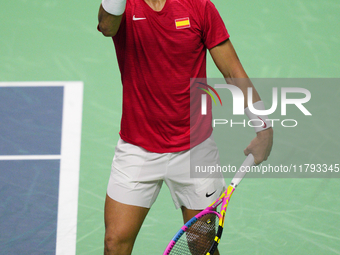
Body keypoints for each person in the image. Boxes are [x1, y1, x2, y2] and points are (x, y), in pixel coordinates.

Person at [97, 0, 273, 253]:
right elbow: (106, 25)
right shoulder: (124, 7)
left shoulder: (199, 7)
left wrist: (264, 127)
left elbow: (233, 70)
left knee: (203, 247)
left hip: (195, 150)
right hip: (137, 150)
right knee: (114, 243)